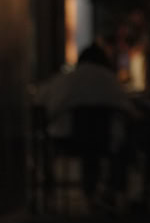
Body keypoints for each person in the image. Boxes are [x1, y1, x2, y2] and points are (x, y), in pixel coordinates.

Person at [38, 44, 138, 207]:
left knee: (46, 144)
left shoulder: (65, 79)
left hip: (66, 139)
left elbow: (42, 101)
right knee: (123, 142)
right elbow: (129, 111)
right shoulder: (110, 80)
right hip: (104, 140)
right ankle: (113, 190)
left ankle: (50, 191)